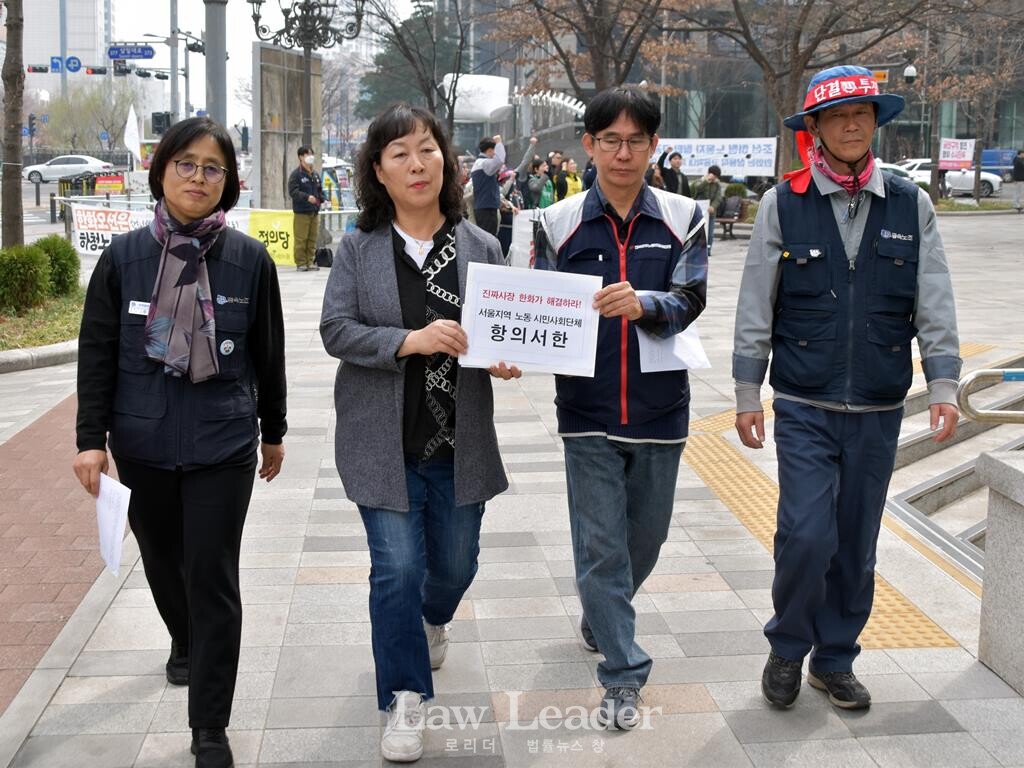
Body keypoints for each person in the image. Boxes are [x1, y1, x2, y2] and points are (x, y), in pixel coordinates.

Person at [732, 65, 961, 712]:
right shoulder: (785, 201)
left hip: (880, 405)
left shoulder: (911, 205)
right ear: (815, 129)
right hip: (805, 401)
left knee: (856, 542)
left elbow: (934, 298)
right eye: (837, 115)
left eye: (862, 111)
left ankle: (835, 660)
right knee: (807, 534)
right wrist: (748, 391)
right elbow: (756, 301)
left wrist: (943, 379)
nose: (852, 123)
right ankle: (787, 645)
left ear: (876, 121)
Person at [73, 116, 287, 768]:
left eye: (212, 168)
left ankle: (209, 729)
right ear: (161, 171)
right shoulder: (124, 260)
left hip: (222, 443)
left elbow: (268, 353)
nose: (198, 177)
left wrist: (272, 432)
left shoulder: (249, 260)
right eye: (186, 164)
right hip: (141, 444)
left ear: (229, 182)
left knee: (213, 575)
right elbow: (98, 356)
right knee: (165, 565)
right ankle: (184, 639)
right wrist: (90, 441)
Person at [319, 103, 521, 764]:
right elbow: (337, 331)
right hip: (383, 441)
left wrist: (506, 351)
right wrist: (409, 341)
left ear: (447, 161)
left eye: (427, 148)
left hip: (459, 444)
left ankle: (433, 623)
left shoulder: (480, 245)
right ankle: (404, 697)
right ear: (377, 170)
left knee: (455, 566)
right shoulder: (358, 247)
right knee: (396, 569)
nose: (417, 162)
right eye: (399, 152)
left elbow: (503, 329)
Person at [534, 86, 707, 730]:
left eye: (637, 140)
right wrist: (507, 342)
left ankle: (600, 610)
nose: (623, 152)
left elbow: (691, 297)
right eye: (611, 140)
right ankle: (623, 673)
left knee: (647, 537)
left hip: (662, 408)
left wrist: (648, 305)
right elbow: (536, 307)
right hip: (587, 408)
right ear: (589, 145)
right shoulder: (557, 223)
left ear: (654, 145)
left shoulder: (686, 216)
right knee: (603, 546)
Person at [288, 144, 324, 271]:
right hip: (302, 212)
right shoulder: (296, 175)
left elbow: (320, 191)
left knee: (312, 238)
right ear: (300, 157)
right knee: (301, 238)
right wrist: (307, 197)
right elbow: (293, 192)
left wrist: (323, 199)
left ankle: (310, 261)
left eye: (311, 154)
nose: (310, 157)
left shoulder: (315, 174)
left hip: (314, 212)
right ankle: (301, 262)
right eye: (307, 154)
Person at [470, 134, 506, 237]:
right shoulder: (485, 163)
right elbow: (500, 160)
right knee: (488, 241)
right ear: (490, 150)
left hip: (482, 207)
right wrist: (499, 142)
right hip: (487, 209)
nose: (495, 154)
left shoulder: (479, 163)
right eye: (494, 151)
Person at [692, 165, 723, 254]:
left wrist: (713, 206)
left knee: (710, 233)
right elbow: (696, 190)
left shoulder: (717, 185)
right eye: (713, 175)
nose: (714, 178)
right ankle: (697, 249)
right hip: (700, 211)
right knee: (699, 232)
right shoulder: (700, 181)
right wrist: (706, 181)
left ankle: (708, 250)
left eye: (716, 176)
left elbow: (718, 197)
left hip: (711, 213)